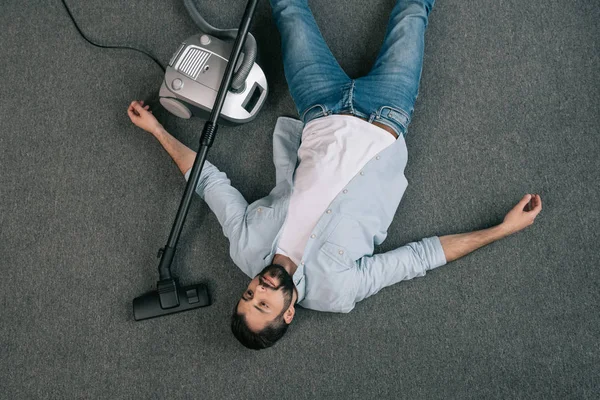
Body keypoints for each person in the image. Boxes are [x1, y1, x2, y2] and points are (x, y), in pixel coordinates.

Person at [127, 0, 542, 350]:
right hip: (386, 117)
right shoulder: (337, 291)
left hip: (319, 110)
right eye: (264, 304)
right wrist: (501, 230)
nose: (259, 288)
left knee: (287, 10)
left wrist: (157, 131)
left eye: (248, 295)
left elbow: (207, 182)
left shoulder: (245, 247)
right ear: (288, 313)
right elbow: (420, 257)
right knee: (413, 11)